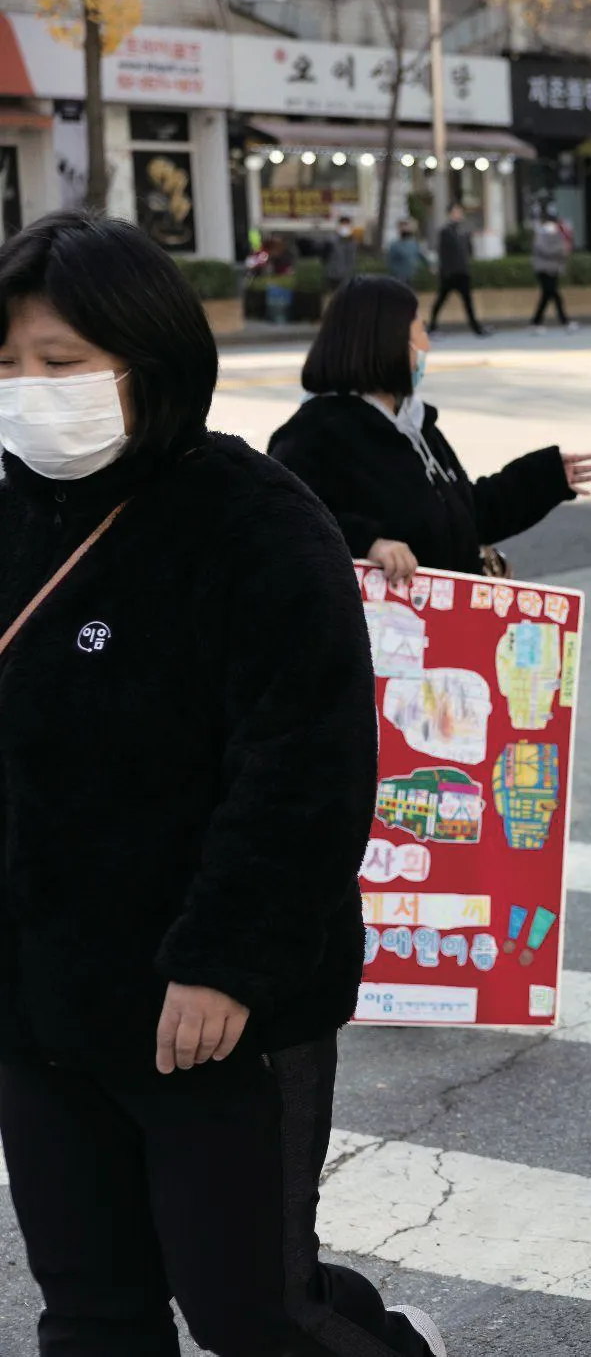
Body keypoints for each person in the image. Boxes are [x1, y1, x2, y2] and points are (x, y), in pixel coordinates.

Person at [0, 211, 450, 1356]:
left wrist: (223, 961)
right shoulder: (8, 511)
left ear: (148, 361)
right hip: (38, 1006)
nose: (26, 390)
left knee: (253, 1311)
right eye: (5, 364)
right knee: (91, 1308)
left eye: (59, 362)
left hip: (214, 1012)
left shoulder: (253, 519)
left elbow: (306, 766)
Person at [269, 275, 591, 585]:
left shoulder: (413, 426)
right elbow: (284, 527)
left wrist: (543, 478)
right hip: (383, 626)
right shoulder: (312, 437)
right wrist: (368, 543)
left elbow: (466, 516)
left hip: (444, 621)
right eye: (419, 332)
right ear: (387, 342)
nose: (426, 346)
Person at [429, 203, 489, 337]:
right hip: (449, 273)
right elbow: (442, 252)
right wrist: (443, 270)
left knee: (468, 302)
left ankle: (476, 328)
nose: (458, 215)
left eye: (460, 212)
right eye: (455, 212)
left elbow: (469, 250)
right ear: (450, 214)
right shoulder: (445, 231)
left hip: (462, 272)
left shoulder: (464, 231)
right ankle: (432, 326)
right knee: (440, 300)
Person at [529, 209, 577, 333]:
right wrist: (558, 251)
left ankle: (536, 322)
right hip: (544, 269)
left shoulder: (556, 232)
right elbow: (545, 249)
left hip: (552, 268)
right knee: (553, 295)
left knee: (548, 295)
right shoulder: (543, 233)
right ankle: (564, 321)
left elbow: (562, 249)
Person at [384, 218, 425, 287]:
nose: (405, 229)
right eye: (402, 227)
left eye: (406, 226)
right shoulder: (395, 245)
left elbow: (420, 256)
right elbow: (390, 261)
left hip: (412, 276)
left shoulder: (414, 243)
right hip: (399, 276)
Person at [324, 220, 357, 290]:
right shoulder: (331, 241)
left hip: (347, 276)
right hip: (333, 275)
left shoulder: (352, 242)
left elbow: (351, 259)